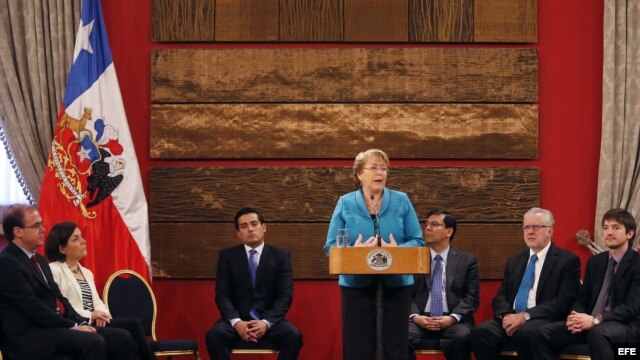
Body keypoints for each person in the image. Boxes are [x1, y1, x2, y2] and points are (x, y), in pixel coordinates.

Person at [324, 149, 425, 360]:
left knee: (395, 346)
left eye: (384, 168)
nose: (380, 173)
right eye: (373, 168)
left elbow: (417, 241)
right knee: (357, 346)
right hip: (356, 284)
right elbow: (331, 246)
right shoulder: (346, 203)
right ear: (359, 174)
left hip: (397, 283)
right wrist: (355, 252)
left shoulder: (401, 200)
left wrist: (397, 251)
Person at [0, 204, 137, 360]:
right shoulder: (7, 263)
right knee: (93, 341)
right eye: (36, 226)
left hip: (51, 330)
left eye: (42, 224)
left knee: (121, 338)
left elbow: (59, 298)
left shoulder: (40, 260)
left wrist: (78, 321)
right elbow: (32, 307)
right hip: (29, 337)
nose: (43, 230)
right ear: (18, 232)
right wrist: (72, 326)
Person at [470, 207, 581, 360]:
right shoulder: (515, 261)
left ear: (550, 231)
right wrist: (508, 315)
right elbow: (501, 296)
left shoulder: (567, 261)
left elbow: (563, 302)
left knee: (526, 332)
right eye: (526, 227)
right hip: (512, 316)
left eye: (536, 227)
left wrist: (526, 316)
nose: (530, 231)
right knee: (480, 332)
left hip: (542, 318)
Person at [531, 208, 640, 360]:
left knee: (598, 333)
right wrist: (574, 317)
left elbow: (632, 307)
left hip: (622, 325)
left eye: (616, 228)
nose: (609, 232)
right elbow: (582, 298)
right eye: (605, 227)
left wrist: (597, 320)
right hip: (589, 321)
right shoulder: (596, 261)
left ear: (630, 234)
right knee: (541, 333)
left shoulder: (636, 263)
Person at [44, 221, 156, 360]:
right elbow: (62, 307)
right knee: (125, 338)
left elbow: (97, 301)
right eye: (76, 239)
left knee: (132, 324)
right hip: (77, 323)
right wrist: (91, 315)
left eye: (82, 236)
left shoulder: (86, 272)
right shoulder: (53, 270)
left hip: (96, 320)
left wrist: (103, 314)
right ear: (62, 248)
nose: (84, 241)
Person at [205, 207, 302, 360]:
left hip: (269, 320)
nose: (250, 229)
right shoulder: (227, 257)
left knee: (293, 335)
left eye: (254, 224)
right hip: (237, 319)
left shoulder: (281, 256)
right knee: (214, 335)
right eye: (244, 226)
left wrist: (265, 323)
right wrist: (237, 323)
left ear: (263, 227)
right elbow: (222, 295)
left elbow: (285, 296)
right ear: (238, 233)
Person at [408, 210, 479, 360]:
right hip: (421, 319)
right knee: (400, 335)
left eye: (434, 224)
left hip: (453, 319)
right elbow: (406, 294)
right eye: (426, 224)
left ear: (449, 231)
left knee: (461, 336)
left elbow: (471, 297)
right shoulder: (415, 258)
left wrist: (452, 318)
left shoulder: (467, 261)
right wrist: (416, 317)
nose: (427, 228)